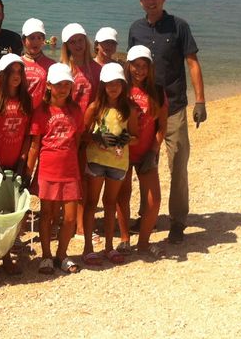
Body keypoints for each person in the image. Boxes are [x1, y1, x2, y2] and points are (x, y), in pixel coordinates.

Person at [128, 0, 206, 244]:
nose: (151, 1)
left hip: (173, 106)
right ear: (141, 1)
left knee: (178, 164)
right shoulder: (135, 29)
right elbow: (131, 68)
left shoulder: (179, 26)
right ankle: (146, 214)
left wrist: (201, 101)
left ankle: (178, 220)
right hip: (144, 109)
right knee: (146, 165)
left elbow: (192, 63)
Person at [26, 63, 84, 275]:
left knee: (69, 217)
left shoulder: (75, 110)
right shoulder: (41, 111)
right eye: (58, 84)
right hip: (48, 171)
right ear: (49, 85)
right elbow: (34, 145)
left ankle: (62, 254)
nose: (63, 89)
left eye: (67, 85)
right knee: (48, 214)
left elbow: (77, 141)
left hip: (69, 171)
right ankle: (46, 256)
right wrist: (28, 174)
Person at [82, 62, 138, 266]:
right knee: (91, 203)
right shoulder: (95, 108)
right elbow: (83, 135)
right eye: (108, 83)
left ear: (123, 85)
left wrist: (122, 140)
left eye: (117, 83)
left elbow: (136, 137)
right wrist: (98, 138)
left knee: (110, 204)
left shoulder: (128, 110)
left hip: (118, 162)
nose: (113, 87)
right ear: (102, 85)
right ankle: (88, 247)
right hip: (96, 160)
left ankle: (108, 247)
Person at [0, 53, 32, 275]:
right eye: (11, 72)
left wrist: (23, 160)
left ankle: (6, 257)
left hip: (15, 164)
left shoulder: (25, 100)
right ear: (2, 75)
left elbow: (28, 136)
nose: (16, 76)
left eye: (19, 71)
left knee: (12, 212)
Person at [120, 46, 168, 258]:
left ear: (150, 68)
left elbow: (162, 126)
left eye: (144, 66)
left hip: (147, 152)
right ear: (128, 66)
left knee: (154, 200)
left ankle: (143, 242)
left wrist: (154, 150)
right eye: (135, 66)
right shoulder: (121, 89)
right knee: (123, 195)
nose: (139, 70)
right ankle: (124, 240)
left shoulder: (157, 91)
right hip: (124, 152)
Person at [59, 23, 101, 241]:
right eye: (72, 42)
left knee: (85, 177)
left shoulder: (96, 69)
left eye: (80, 40)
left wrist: (92, 128)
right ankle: (68, 222)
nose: (77, 45)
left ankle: (82, 225)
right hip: (68, 132)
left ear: (86, 41)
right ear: (66, 45)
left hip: (90, 132)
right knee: (68, 177)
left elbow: (100, 102)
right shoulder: (63, 70)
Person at [21, 18, 56, 109]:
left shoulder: (52, 65)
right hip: (20, 113)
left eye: (39, 38)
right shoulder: (17, 64)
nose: (35, 42)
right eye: (32, 38)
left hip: (43, 114)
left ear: (43, 41)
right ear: (24, 40)